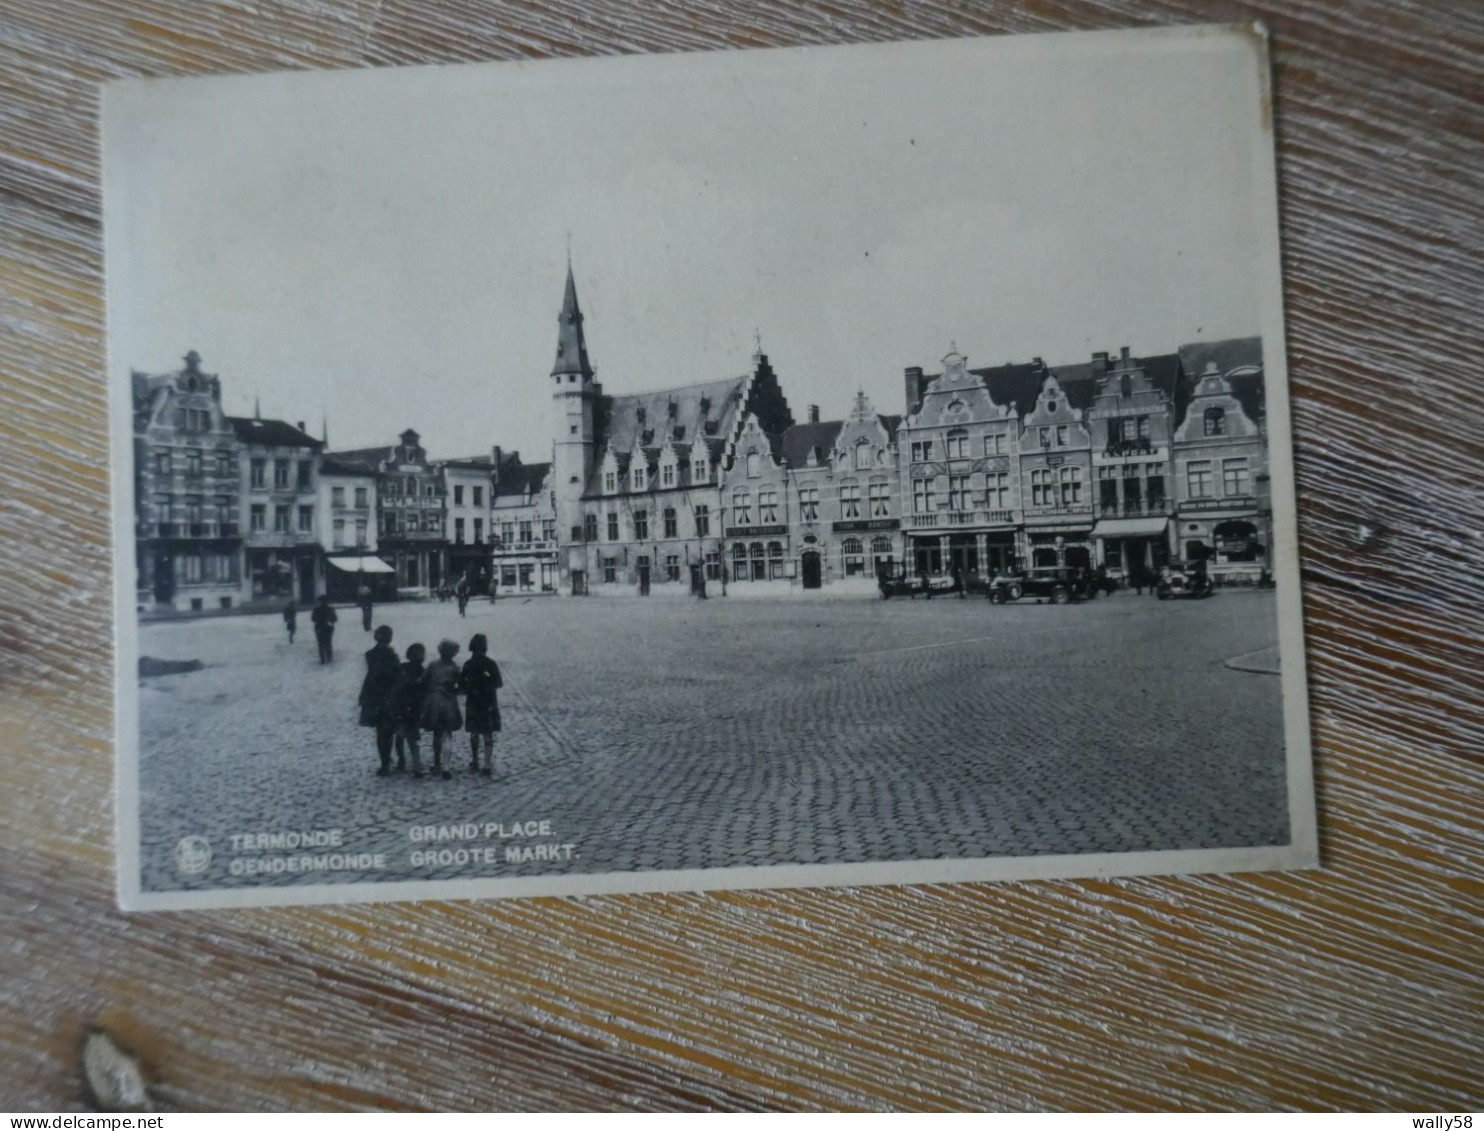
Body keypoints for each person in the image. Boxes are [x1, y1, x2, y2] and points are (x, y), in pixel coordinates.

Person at [358, 626, 401, 776]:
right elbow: (396, 677)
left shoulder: (370, 654)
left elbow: (372, 676)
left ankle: (385, 761)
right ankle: (387, 761)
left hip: (374, 697)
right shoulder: (392, 656)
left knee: (381, 732)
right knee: (387, 731)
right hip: (389, 697)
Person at [461, 633, 503, 777]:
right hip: (489, 702)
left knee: (474, 732)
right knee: (487, 733)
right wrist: (487, 684)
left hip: (473, 702)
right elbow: (498, 683)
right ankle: (487, 764)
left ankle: (475, 760)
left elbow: (462, 685)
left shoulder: (468, 664)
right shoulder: (490, 664)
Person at [421, 639, 463, 780]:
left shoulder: (433, 665)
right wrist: (454, 691)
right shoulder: (455, 668)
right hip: (449, 701)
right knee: (447, 734)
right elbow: (463, 685)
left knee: (437, 734)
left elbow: (422, 681)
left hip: (434, 702)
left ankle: (436, 762)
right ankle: (446, 767)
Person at [387, 643, 427, 778]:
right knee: (413, 739)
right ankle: (417, 766)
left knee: (400, 735)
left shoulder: (402, 668)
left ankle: (402, 760)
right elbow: (423, 691)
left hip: (401, 707)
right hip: (414, 709)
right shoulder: (422, 671)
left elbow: (394, 685)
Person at [310, 595, 337, 664]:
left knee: (321, 643)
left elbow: (313, 619)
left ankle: (322, 659)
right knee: (328, 643)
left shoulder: (316, 610)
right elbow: (335, 619)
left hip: (319, 628)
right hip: (329, 628)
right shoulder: (331, 609)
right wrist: (329, 621)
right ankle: (329, 657)